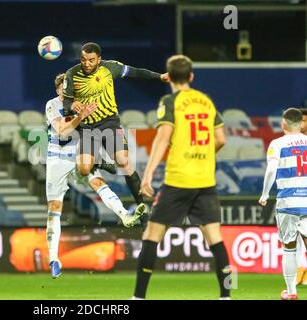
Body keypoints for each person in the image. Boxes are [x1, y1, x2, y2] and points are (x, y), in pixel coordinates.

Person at [132, 55, 231, 300]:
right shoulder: (206, 102)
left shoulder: (170, 101)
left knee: (152, 236)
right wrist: (204, 156)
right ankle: (226, 296)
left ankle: (139, 297)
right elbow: (221, 140)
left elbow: (163, 137)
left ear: (169, 77)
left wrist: (148, 172)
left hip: (178, 180)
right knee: (215, 238)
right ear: (191, 77)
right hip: (205, 180)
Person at [46, 74, 146, 278]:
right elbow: (62, 131)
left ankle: (125, 215)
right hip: (57, 159)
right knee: (54, 208)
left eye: (70, 87)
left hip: (79, 154)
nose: (66, 90)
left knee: (97, 181)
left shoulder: (82, 103)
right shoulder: (52, 105)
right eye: (63, 87)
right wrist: (82, 116)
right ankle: (54, 258)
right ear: (58, 90)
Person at [62, 42, 169, 230]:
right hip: (87, 128)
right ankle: (102, 163)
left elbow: (136, 72)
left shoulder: (110, 68)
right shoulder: (72, 74)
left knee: (124, 162)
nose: (86, 64)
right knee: (84, 170)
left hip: (110, 123)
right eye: (83, 59)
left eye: (91, 60)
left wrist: (159, 76)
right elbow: (67, 101)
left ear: (99, 60)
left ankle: (143, 210)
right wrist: (72, 106)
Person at [259, 108, 307, 300]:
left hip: (287, 200)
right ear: (301, 124)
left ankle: (291, 292)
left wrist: (264, 194)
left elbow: (271, 170)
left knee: (289, 247)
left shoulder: (277, 143)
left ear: (283, 124)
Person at [296, 108, 307, 286]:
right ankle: (301, 271)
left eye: (304, 120)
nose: (301, 124)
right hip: (295, 193)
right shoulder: (291, 143)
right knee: (295, 235)